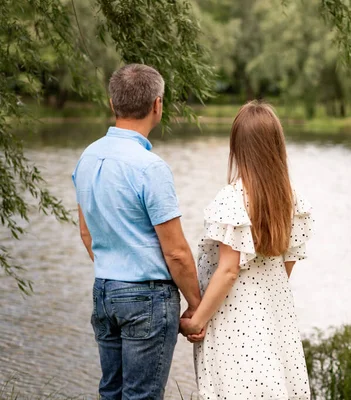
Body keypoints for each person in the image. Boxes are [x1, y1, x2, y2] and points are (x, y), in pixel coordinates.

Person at [72, 64, 201, 400]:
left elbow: (86, 233)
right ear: (157, 105)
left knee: (111, 393)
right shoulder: (150, 168)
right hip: (147, 297)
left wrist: (114, 269)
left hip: (104, 291)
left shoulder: (87, 158)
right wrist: (196, 304)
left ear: (112, 103)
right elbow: (175, 252)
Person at [180, 101, 313, 399]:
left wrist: (198, 320)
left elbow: (227, 270)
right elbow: (285, 267)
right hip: (275, 316)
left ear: (238, 147)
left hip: (233, 317)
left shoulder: (232, 199)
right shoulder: (293, 202)